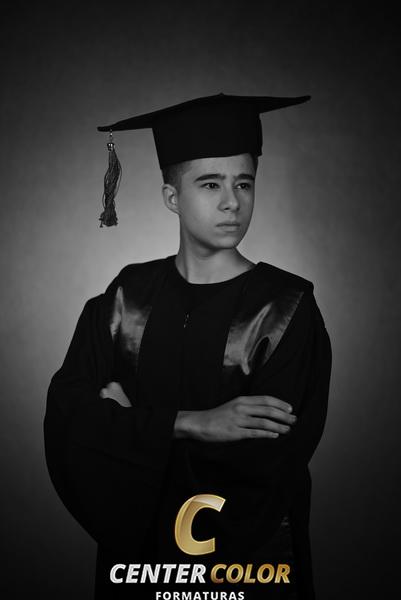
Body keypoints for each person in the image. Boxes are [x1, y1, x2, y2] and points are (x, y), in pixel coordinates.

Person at [44, 93, 332, 600]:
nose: (232, 202)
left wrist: (132, 428)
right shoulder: (126, 298)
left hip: (246, 573)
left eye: (244, 183)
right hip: (139, 576)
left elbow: (269, 463)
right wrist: (192, 424)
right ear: (172, 197)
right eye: (210, 184)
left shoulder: (286, 308)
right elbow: (71, 421)